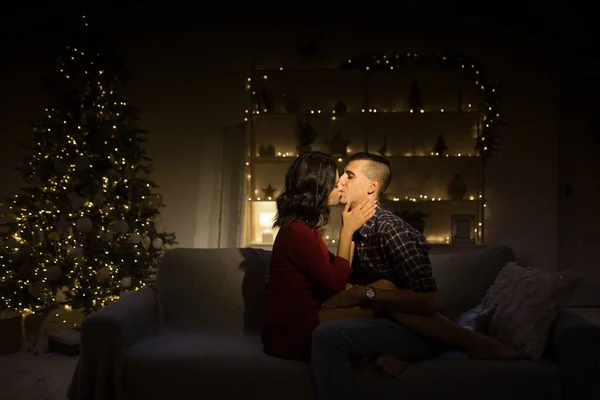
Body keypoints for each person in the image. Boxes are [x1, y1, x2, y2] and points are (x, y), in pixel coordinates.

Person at [311, 152, 522, 400]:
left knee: (331, 332)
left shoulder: (392, 229)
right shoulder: (354, 228)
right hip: (383, 321)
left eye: (349, 175)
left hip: (415, 327)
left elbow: (430, 302)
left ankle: (466, 342)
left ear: (372, 187)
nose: (340, 182)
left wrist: (366, 293)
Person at [261, 151, 377, 362]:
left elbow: (342, 271)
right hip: (289, 332)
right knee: (376, 311)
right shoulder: (297, 232)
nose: (341, 186)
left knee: (380, 300)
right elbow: (336, 283)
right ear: (318, 192)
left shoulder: (306, 229)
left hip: (307, 318)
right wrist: (346, 231)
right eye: (335, 185)